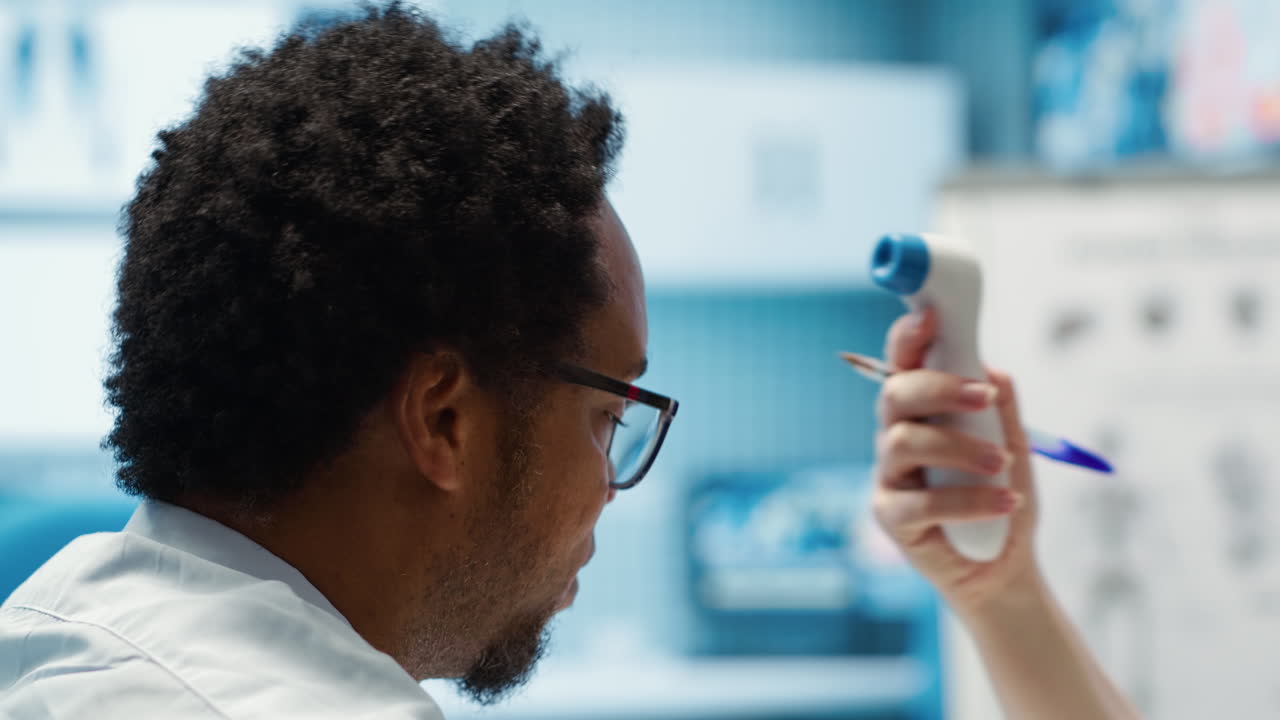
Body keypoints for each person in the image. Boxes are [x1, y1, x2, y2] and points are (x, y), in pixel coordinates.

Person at [0, 3, 1139, 720]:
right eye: (605, 416)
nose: (608, 482)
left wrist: (996, 593)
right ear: (443, 419)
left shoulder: (53, 632)